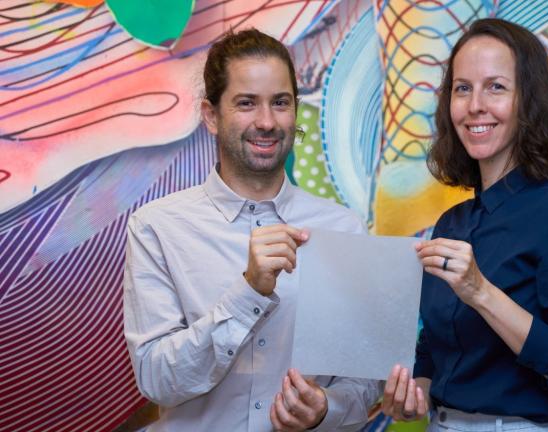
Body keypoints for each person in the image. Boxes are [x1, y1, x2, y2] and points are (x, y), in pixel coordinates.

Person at [123, 29, 380, 432]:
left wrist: (325, 409)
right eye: (246, 103)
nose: (266, 122)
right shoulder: (157, 227)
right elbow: (157, 380)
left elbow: (364, 382)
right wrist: (249, 292)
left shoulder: (343, 229)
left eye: (280, 103)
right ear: (211, 115)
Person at [381, 18, 548, 431]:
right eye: (463, 88)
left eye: (496, 87)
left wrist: (482, 293)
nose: (475, 106)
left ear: (529, 101)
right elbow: (437, 350)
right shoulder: (451, 223)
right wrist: (412, 393)